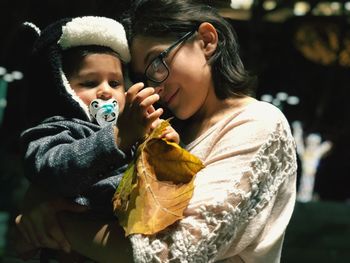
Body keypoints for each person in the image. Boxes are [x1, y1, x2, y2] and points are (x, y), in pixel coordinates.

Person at [15, 1, 297, 262]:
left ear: (207, 40)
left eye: (157, 62)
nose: (155, 86)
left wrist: (54, 225)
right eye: (142, 77)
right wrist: (39, 200)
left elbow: (174, 252)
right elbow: (56, 171)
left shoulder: (257, 122)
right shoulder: (162, 126)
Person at [14, 15, 179, 258]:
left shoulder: (134, 130)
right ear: (62, 88)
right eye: (90, 82)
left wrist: (164, 148)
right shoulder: (57, 127)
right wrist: (118, 138)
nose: (105, 91)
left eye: (115, 82)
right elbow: (51, 168)